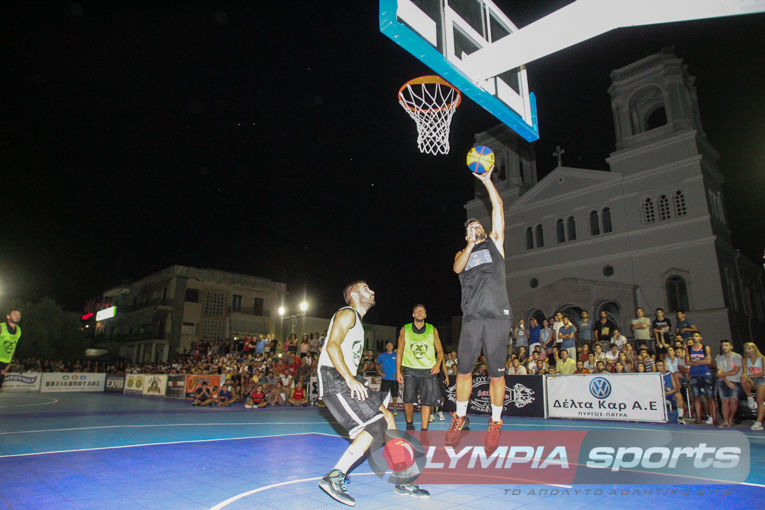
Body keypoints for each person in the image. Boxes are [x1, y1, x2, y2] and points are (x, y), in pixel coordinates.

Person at [317, 281, 428, 505]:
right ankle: (335, 476)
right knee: (377, 424)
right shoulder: (347, 313)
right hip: (334, 377)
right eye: (366, 288)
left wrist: (351, 378)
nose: (373, 291)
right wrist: (349, 378)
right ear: (355, 295)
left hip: (346, 378)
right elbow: (331, 346)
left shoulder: (357, 321)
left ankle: (403, 477)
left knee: (386, 417)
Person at [451, 163, 512, 445]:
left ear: (485, 230)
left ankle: (495, 422)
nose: (474, 228)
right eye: (470, 227)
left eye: (477, 226)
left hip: (498, 317)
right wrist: (469, 244)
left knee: (496, 376)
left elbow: (498, 207)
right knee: (464, 372)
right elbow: (457, 268)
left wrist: (487, 181)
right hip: (473, 319)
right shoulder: (464, 253)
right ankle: (460, 418)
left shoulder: (495, 244)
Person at [396, 304, 444, 431]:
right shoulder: (405, 329)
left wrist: (438, 365)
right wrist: (398, 371)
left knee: (427, 402)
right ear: (413, 314)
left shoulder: (432, 329)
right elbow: (399, 352)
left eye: (422, 311)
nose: (419, 312)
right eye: (416, 311)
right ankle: (409, 425)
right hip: (410, 370)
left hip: (428, 371)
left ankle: (424, 431)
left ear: (425, 315)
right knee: (408, 400)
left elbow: (440, 351)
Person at [685, 331, 717, 426]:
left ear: (700, 338)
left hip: (705, 374)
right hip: (694, 374)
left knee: (710, 397)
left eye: (696, 336)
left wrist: (696, 362)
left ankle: (715, 419)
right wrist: (700, 362)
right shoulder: (688, 348)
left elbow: (708, 361)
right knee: (696, 397)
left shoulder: (705, 347)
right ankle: (698, 419)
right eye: (693, 336)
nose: (695, 338)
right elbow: (687, 362)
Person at [714, 340, 742, 428]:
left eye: (726, 345)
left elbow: (735, 371)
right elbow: (719, 373)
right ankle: (725, 421)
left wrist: (722, 374)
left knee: (734, 400)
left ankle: (730, 419)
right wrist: (726, 381)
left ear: (731, 347)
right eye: (723, 346)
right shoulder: (719, 358)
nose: (724, 347)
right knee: (724, 401)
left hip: (735, 380)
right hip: (723, 381)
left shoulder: (737, 357)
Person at [742, 342, 765, 430]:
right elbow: (744, 372)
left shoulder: (762, 358)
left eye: (749, 348)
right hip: (751, 380)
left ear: (754, 349)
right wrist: (746, 376)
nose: (747, 351)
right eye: (746, 349)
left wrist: (750, 376)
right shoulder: (745, 360)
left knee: (760, 401)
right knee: (743, 379)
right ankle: (750, 397)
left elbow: (763, 372)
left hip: (761, 379)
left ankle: (758, 422)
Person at [0, 308, 22, 391]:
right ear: (8, 317)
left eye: (19, 315)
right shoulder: (1, 327)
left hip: (5, 363)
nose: (17, 316)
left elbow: (13, 347)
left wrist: (9, 362)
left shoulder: (19, 330)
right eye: (15, 314)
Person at [376, 340, 399, 415]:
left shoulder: (396, 355)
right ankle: (384, 409)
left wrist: (398, 373)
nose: (389, 346)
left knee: (394, 395)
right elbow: (376, 364)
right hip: (385, 378)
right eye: (388, 345)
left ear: (393, 347)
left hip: (394, 378)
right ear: (386, 347)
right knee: (383, 394)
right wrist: (380, 372)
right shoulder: (382, 355)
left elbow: (402, 364)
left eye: (391, 345)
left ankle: (395, 409)